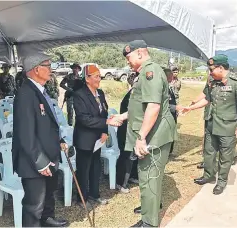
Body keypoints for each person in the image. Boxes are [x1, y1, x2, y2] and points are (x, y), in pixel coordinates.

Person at [113, 40, 177, 227]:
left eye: (129, 57)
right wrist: (123, 116)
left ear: (140, 53)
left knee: (148, 177)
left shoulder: (151, 72)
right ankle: (151, 208)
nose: (127, 62)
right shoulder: (144, 73)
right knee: (149, 177)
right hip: (151, 133)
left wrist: (141, 137)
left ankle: (149, 222)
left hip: (154, 136)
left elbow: (153, 106)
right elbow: (139, 106)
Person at [12, 53, 69, 227]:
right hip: (34, 161)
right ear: (37, 69)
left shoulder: (40, 90)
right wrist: (40, 161)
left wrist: (59, 140)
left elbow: (47, 124)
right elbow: (26, 133)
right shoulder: (26, 94)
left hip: (49, 154)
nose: (51, 70)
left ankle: (47, 219)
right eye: (48, 66)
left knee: (49, 195)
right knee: (33, 205)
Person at [181, 55, 237, 195]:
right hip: (212, 125)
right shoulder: (213, 81)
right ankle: (208, 175)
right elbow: (207, 99)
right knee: (209, 152)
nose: (210, 72)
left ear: (220, 68)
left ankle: (221, 182)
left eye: (211, 69)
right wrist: (191, 108)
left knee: (225, 157)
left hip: (228, 127)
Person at [73, 64, 121, 209]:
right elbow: (84, 118)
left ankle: (95, 194)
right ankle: (82, 199)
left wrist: (105, 130)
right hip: (85, 139)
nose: (99, 79)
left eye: (99, 76)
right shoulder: (79, 94)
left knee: (95, 167)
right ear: (87, 79)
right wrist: (106, 122)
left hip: (98, 139)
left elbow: (104, 113)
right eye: (96, 76)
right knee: (83, 169)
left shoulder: (100, 93)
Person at [116, 72, 139, 194]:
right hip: (126, 130)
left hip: (133, 129)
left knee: (133, 156)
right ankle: (121, 182)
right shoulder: (132, 94)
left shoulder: (135, 93)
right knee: (127, 157)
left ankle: (131, 177)